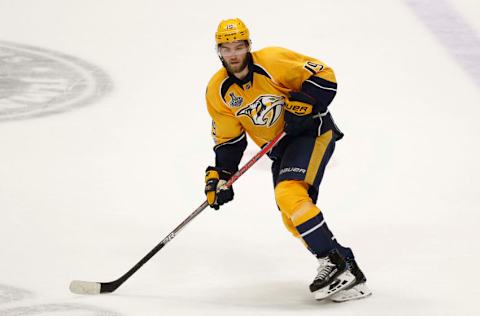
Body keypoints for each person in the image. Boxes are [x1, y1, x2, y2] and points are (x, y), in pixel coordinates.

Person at [203, 18, 371, 302]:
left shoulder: (272, 60)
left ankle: (333, 262)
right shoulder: (218, 92)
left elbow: (324, 77)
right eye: (226, 48)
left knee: (289, 191)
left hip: (312, 132)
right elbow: (229, 142)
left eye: (239, 46)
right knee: (289, 214)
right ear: (218, 50)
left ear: (248, 46)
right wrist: (221, 175)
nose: (233, 54)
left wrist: (304, 103)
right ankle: (347, 267)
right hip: (280, 148)